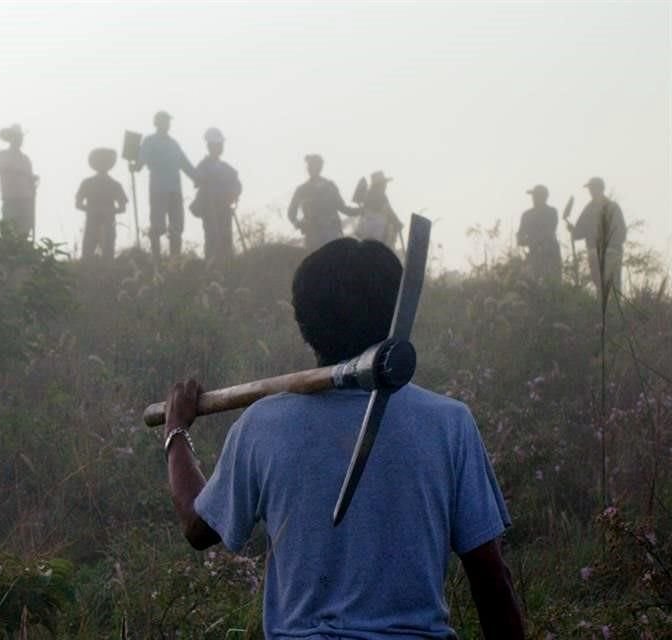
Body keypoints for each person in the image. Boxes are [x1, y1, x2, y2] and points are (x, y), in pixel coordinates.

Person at [161, 238, 525, 639]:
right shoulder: (449, 423)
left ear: (304, 323)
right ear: (396, 315)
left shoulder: (263, 426)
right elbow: (492, 583)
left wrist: (176, 432)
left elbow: (197, 526)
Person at [131, 111, 197, 261]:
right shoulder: (149, 141)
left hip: (175, 190)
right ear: (156, 123)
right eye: (163, 121)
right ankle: (156, 260)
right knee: (157, 226)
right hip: (158, 189)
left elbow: (185, 163)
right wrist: (135, 166)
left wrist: (198, 178)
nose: (166, 124)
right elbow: (141, 161)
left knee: (177, 228)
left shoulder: (173, 144)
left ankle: (175, 261)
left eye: (168, 121)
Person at [191, 127, 242, 268]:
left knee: (226, 241)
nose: (220, 147)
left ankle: (228, 269)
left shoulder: (226, 168)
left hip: (224, 209)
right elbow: (196, 180)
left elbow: (237, 184)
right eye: (217, 145)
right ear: (209, 146)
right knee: (212, 240)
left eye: (220, 145)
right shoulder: (203, 166)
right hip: (210, 209)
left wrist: (233, 193)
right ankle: (212, 271)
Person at [287, 155, 359, 250]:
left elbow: (343, 208)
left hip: (331, 231)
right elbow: (291, 213)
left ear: (320, 167)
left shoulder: (330, 186)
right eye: (310, 166)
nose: (312, 169)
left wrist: (361, 210)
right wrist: (300, 224)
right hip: (313, 234)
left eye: (315, 166)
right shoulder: (302, 189)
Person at [571, 177, 626, 296]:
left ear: (600, 188)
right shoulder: (590, 208)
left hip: (610, 252)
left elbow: (621, 232)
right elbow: (578, 232)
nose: (591, 191)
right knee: (601, 286)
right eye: (590, 188)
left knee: (613, 286)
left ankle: (614, 312)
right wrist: (573, 231)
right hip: (596, 253)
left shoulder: (611, 207)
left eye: (593, 188)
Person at [75, 148, 128, 263]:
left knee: (107, 256)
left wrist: (108, 211)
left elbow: (123, 207)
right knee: (88, 256)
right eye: (101, 162)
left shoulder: (114, 184)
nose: (103, 165)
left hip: (107, 223)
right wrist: (94, 210)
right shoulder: (89, 183)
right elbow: (78, 204)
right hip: (93, 223)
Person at [0, 124, 37, 239]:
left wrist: (32, 180)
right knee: (8, 232)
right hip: (10, 199)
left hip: (26, 199)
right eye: (16, 137)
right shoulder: (3, 155)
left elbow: (29, 178)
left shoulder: (25, 159)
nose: (19, 140)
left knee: (24, 231)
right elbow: (7, 168)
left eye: (20, 137)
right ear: (10, 139)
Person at [516, 184, 562, 284]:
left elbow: (550, 231)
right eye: (534, 196)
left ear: (544, 197)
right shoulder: (527, 215)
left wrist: (531, 240)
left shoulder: (551, 212)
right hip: (534, 255)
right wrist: (523, 240)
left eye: (536, 195)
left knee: (553, 283)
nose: (534, 198)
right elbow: (520, 235)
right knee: (534, 283)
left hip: (550, 253)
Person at [355, 170, 403, 251]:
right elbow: (388, 211)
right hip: (377, 231)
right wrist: (397, 223)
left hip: (367, 231)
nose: (385, 186)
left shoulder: (368, 195)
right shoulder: (380, 195)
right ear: (380, 184)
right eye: (384, 183)